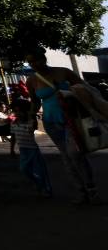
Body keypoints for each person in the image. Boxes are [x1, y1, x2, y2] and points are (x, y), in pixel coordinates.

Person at [25, 49, 101, 204]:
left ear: (44, 59)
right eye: (30, 62)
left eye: (36, 60)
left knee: (75, 154)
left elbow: (85, 89)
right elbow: (34, 102)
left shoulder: (63, 72)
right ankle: (81, 192)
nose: (34, 64)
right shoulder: (32, 80)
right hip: (50, 122)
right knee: (66, 157)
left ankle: (91, 189)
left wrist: (70, 93)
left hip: (72, 119)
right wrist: (31, 118)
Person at [9, 98, 51, 197]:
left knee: (40, 171)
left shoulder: (30, 122)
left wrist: (30, 115)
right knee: (24, 169)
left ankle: (45, 189)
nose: (17, 113)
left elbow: (33, 126)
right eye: (15, 111)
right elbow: (13, 137)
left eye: (19, 111)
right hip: (23, 150)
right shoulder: (14, 123)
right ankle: (38, 184)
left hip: (33, 150)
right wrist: (11, 149)